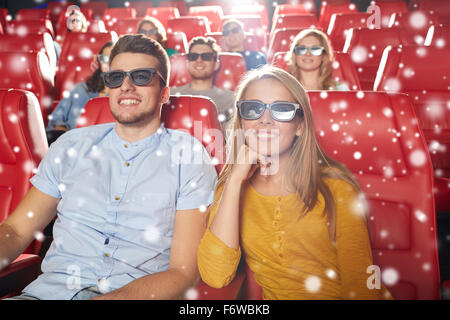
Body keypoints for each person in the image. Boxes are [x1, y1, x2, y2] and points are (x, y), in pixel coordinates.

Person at [0, 34, 217, 300]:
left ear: (164, 93)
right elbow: (17, 230)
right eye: (116, 78)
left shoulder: (188, 156)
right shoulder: (70, 147)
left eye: (141, 76)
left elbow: (184, 273)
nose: (126, 86)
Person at [197, 65, 392, 300]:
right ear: (242, 123)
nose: (265, 121)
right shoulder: (232, 186)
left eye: (282, 110)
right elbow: (216, 276)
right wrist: (235, 180)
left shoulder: (337, 187)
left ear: (300, 125)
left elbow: (362, 282)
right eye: (253, 109)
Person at [46, 41, 114, 144]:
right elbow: (56, 120)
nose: (109, 63)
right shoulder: (80, 88)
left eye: (114, 59)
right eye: (104, 59)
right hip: (70, 145)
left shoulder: (124, 96)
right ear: (99, 62)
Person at [170, 36, 235, 131]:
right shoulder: (171, 95)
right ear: (187, 63)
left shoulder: (230, 99)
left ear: (216, 64)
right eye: (193, 56)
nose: (199, 60)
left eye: (206, 57)